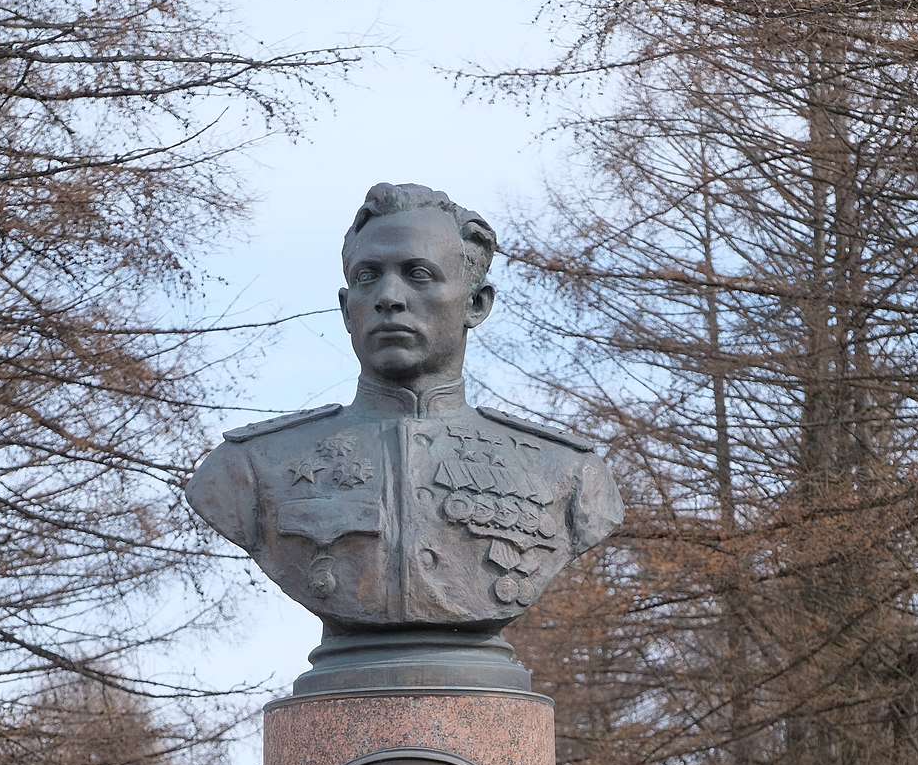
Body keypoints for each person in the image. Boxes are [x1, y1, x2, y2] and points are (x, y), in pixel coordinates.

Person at [186, 182, 623, 632]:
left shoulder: (569, 474)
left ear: (476, 304)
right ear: (345, 308)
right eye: (367, 276)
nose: (388, 297)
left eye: (418, 274)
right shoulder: (251, 466)